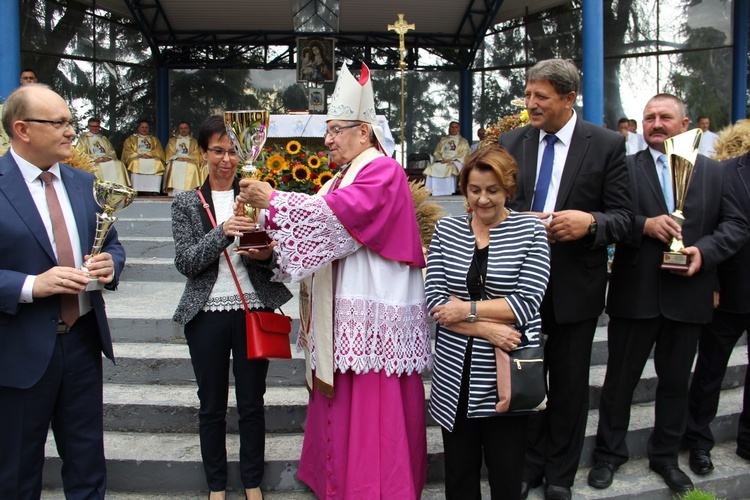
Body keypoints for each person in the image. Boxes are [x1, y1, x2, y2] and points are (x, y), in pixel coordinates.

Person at [236, 62, 432, 499]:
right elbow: (318, 225)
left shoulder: (380, 170)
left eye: (336, 130)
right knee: (341, 394)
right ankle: (335, 479)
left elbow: (340, 218)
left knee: (370, 398)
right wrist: (266, 230)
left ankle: (374, 486)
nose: (327, 140)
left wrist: (273, 199)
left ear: (364, 132)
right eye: (328, 130)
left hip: (370, 306)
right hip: (341, 305)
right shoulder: (343, 174)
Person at [588, 94, 748, 495]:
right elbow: (608, 218)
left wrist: (704, 252)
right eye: (649, 118)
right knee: (619, 382)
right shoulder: (623, 168)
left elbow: (736, 225)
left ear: (685, 123)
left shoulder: (715, 173)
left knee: (676, 383)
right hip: (635, 292)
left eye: (664, 117)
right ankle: (609, 455)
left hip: (689, 293)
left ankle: (665, 457)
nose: (656, 124)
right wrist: (643, 225)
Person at [497, 58, 632, 500]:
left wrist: (589, 222)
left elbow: (626, 217)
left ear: (569, 99)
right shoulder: (512, 141)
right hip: (519, 288)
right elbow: (490, 204)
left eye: (541, 97)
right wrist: (517, 220)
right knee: (525, 378)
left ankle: (560, 476)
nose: (530, 105)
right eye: (528, 95)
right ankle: (528, 467)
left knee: (571, 387)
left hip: (576, 287)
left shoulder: (608, 144)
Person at [0, 84, 125, 498]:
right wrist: (32, 285)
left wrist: (111, 264)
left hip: (83, 343)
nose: (71, 131)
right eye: (59, 123)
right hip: (19, 349)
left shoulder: (83, 183)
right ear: (22, 129)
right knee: (17, 469)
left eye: (70, 122)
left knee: (87, 462)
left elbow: (112, 244)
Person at [171, 115, 292, 500]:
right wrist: (222, 232)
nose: (226, 159)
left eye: (233, 151)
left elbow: (276, 262)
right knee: (211, 406)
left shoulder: (258, 196)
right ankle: (217, 485)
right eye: (218, 151)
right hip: (205, 314)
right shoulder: (187, 203)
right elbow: (187, 263)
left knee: (252, 403)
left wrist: (263, 255)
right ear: (203, 153)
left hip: (251, 311)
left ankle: (252, 482)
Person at [425, 144, 550, 499]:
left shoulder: (530, 231)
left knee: (506, 477)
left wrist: (465, 311)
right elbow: (435, 300)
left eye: (492, 191)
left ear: (508, 188)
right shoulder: (447, 230)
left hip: (506, 376)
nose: (482, 200)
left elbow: (526, 303)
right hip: (455, 376)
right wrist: (485, 327)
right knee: (459, 476)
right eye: (474, 189)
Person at [684, 118, 750, 474]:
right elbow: (718, 227)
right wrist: (711, 282)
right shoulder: (726, 173)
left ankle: (748, 441)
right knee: (710, 370)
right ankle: (697, 440)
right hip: (731, 290)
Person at [75, 117, 132, 186]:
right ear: (89, 127)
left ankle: (120, 188)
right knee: (97, 168)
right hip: (93, 161)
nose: (95, 128)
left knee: (119, 164)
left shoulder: (103, 138)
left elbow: (111, 151)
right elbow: (80, 153)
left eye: (97, 126)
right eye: (92, 126)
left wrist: (109, 158)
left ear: (99, 127)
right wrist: (94, 160)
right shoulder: (83, 138)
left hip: (106, 159)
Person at [423, 121, 471, 196]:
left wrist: (452, 160)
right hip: (442, 160)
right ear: (449, 128)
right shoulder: (443, 140)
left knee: (450, 168)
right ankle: (432, 190)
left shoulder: (463, 141)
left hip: (455, 161)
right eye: (452, 127)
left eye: (456, 127)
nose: (454, 129)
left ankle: (448, 190)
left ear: (459, 129)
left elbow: (465, 153)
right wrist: (441, 159)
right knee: (432, 167)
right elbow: (437, 152)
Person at [121, 119, 166, 194]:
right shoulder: (131, 139)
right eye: (142, 127)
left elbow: (159, 150)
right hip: (136, 158)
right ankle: (136, 189)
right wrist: (138, 155)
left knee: (158, 163)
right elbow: (127, 150)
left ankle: (154, 190)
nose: (144, 129)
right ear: (138, 128)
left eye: (146, 127)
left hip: (151, 158)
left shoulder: (154, 140)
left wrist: (149, 155)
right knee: (134, 162)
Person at [164, 121, 204, 196]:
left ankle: (190, 190)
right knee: (175, 165)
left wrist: (188, 158)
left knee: (192, 166)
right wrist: (177, 157)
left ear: (189, 129)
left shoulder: (194, 141)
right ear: (178, 129)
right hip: (176, 160)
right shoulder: (172, 141)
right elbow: (169, 152)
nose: (183, 130)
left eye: (185, 128)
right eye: (181, 128)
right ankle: (174, 191)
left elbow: (197, 153)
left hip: (190, 160)